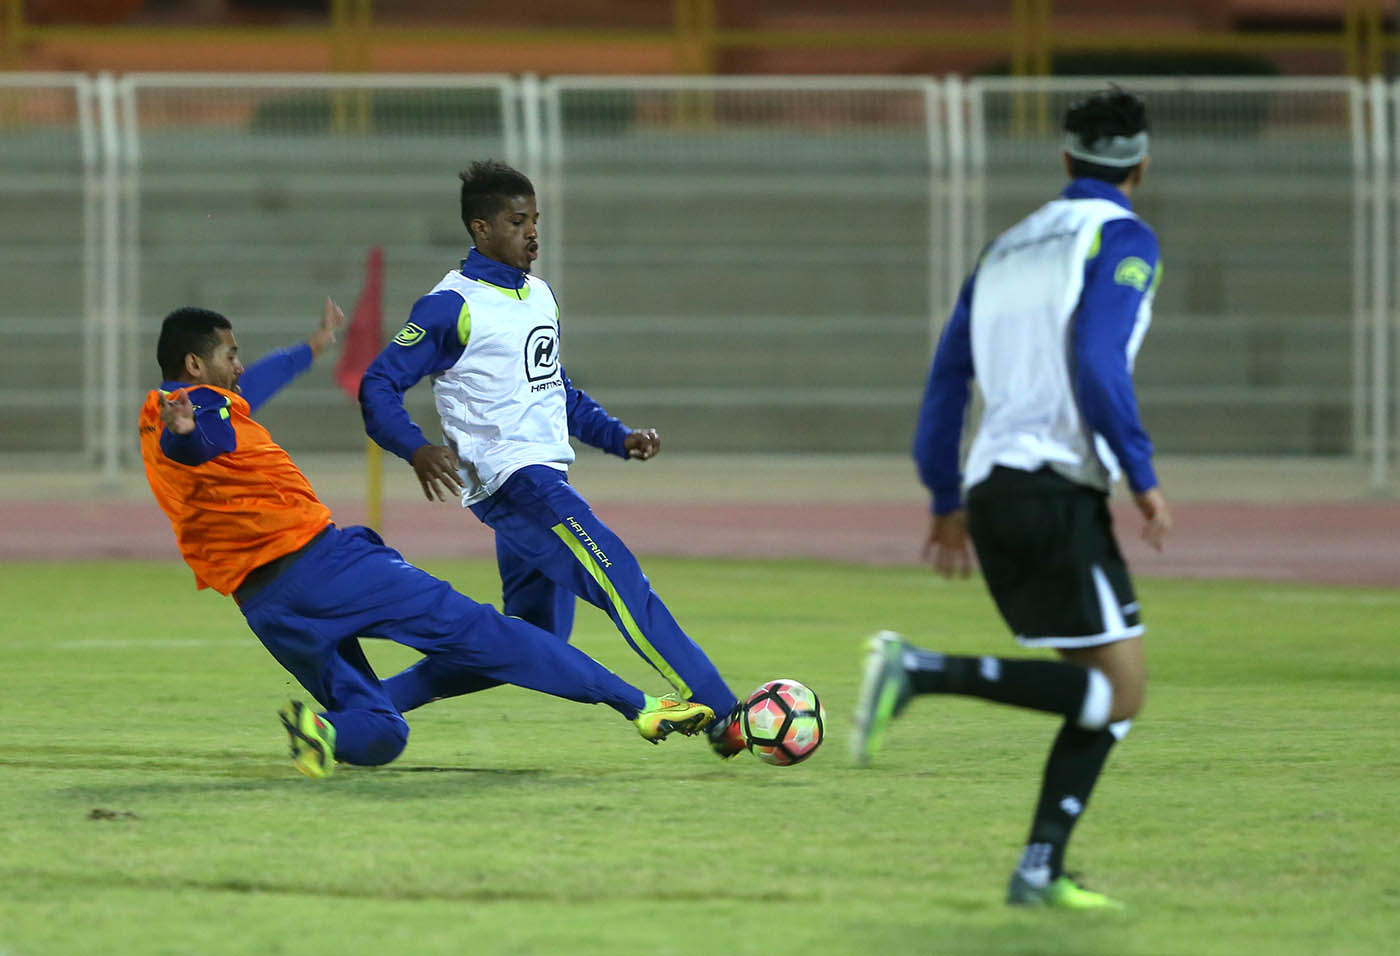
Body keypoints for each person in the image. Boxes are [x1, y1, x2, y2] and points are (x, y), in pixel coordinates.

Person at [138, 300, 714, 779]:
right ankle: (639, 705)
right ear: (195, 364)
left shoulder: (161, 414)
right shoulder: (194, 414)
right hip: (325, 567)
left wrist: (308, 350)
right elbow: (201, 441)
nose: (239, 366)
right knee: (487, 632)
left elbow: (245, 393)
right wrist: (187, 434)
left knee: (383, 731)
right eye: (230, 355)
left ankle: (324, 732)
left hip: (267, 607)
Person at [851, 87, 1171, 909]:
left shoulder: (1004, 248)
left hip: (996, 489)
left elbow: (947, 379)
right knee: (1118, 692)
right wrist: (1141, 473)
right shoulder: (1123, 237)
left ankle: (1039, 868)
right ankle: (922, 670)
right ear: (1140, 165)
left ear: (1066, 159)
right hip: (1055, 488)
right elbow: (1099, 360)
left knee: (1108, 693)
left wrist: (944, 494)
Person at [357, 160, 746, 757]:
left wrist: (617, 437)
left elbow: (554, 389)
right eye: (518, 222)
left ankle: (367, 703)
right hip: (518, 484)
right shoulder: (450, 306)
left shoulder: (538, 296)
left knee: (531, 640)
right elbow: (378, 383)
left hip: (536, 483)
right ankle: (723, 713)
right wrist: (415, 447)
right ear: (481, 228)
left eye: (535, 219)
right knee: (621, 580)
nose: (533, 232)